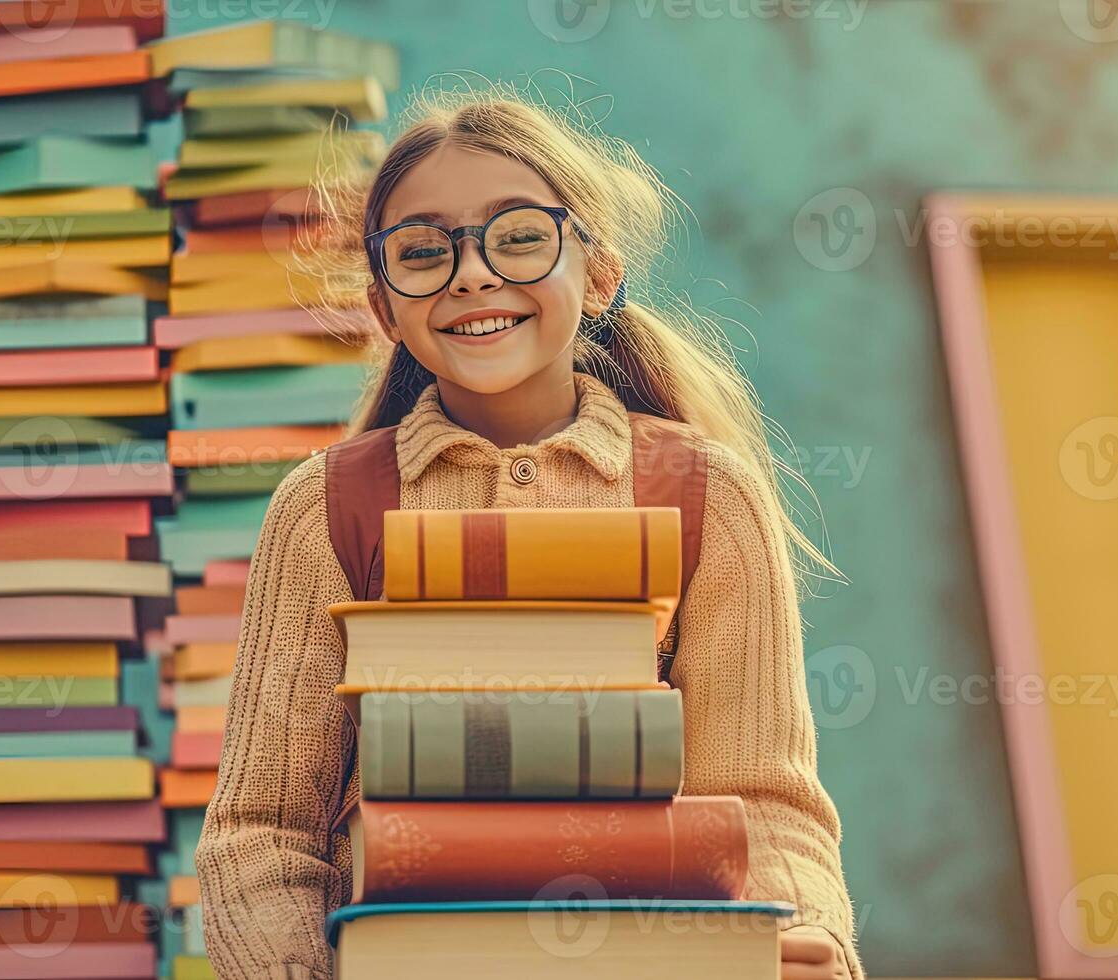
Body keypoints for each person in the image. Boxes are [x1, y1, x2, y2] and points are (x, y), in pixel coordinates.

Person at [195, 82, 861, 980]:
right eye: (423, 251)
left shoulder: (706, 493)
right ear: (384, 308)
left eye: (517, 236)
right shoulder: (325, 509)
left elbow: (764, 801)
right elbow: (262, 832)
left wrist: (807, 937)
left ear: (595, 274)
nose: (473, 273)